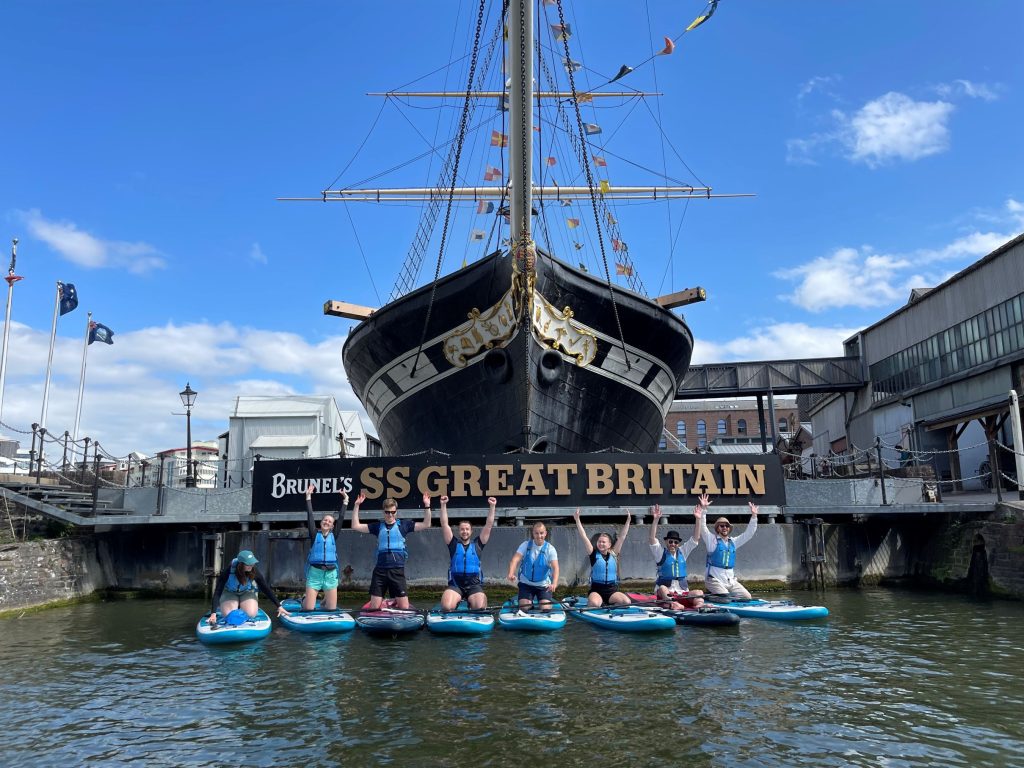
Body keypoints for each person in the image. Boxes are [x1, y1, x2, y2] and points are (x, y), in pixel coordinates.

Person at [350, 490, 431, 610]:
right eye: (387, 512)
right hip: (380, 571)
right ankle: (385, 602)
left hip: (397, 571)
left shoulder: (404, 525)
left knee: (404, 607)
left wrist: (427, 505)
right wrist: (357, 505)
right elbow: (355, 525)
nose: (390, 515)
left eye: (393, 512)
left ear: (396, 512)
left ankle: (394, 601)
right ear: (383, 512)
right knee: (374, 607)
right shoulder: (377, 527)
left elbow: (426, 524)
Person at [439, 494, 496, 611]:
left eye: (467, 529)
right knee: (446, 606)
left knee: (480, 607)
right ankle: (456, 602)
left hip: (474, 585)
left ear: (471, 531)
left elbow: (489, 525)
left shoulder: (478, 544)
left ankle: (472, 603)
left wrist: (492, 506)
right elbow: (444, 524)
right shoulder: (453, 544)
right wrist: (443, 505)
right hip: (456, 585)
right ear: (459, 531)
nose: (464, 531)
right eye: (462, 529)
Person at [207, 549, 289, 624]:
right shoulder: (229, 570)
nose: (251, 565)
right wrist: (213, 613)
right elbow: (218, 591)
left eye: (252, 563)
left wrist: (279, 606)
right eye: (248, 564)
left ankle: (243, 605)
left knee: (251, 614)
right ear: (241, 564)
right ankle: (232, 606)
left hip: (246, 592)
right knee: (230, 616)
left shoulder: (253, 570)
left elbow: (265, 588)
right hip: (229, 592)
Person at [647, 501, 704, 609]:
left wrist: (698, 519)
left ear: (678, 544)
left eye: (676, 542)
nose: (673, 544)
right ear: (666, 542)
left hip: (682, 592)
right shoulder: (660, 553)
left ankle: (699, 605)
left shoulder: (683, 552)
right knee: (663, 588)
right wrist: (656, 519)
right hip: (666, 593)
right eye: (670, 541)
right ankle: (672, 604)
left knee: (699, 592)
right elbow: (652, 539)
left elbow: (696, 538)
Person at [700, 497, 759, 600]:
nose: (725, 528)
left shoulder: (734, 542)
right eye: (722, 526)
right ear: (717, 528)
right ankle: (711, 597)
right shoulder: (711, 540)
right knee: (725, 597)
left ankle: (723, 596)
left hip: (730, 581)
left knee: (747, 597)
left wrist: (754, 516)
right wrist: (704, 509)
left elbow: (749, 534)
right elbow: (703, 528)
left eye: (727, 526)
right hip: (714, 580)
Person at [573, 508, 631, 607]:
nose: (601, 543)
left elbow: (622, 537)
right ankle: (598, 603)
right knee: (594, 603)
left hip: (611, 591)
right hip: (597, 590)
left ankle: (608, 605)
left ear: (609, 544)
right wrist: (577, 520)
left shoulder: (614, 553)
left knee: (627, 602)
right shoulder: (593, 554)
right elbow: (584, 536)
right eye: (599, 541)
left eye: (603, 542)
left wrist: (628, 520)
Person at [302, 482, 347, 611]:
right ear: (321, 523)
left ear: (333, 526)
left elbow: (342, 517)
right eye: (324, 520)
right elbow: (310, 516)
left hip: (331, 574)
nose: (327, 522)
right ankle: (304, 600)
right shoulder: (314, 534)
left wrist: (346, 500)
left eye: (329, 521)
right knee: (309, 608)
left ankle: (326, 599)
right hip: (315, 573)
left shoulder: (334, 534)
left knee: (331, 609)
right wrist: (308, 497)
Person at [506, 521, 559, 611]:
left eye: (541, 533)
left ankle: (543, 603)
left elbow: (555, 567)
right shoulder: (525, 545)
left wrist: (554, 583)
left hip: (543, 585)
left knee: (545, 608)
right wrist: (511, 573)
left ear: (545, 533)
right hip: (526, 584)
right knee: (524, 607)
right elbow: (514, 560)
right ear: (533, 534)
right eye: (536, 533)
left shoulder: (550, 549)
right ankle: (529, 605)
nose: (539, 536)